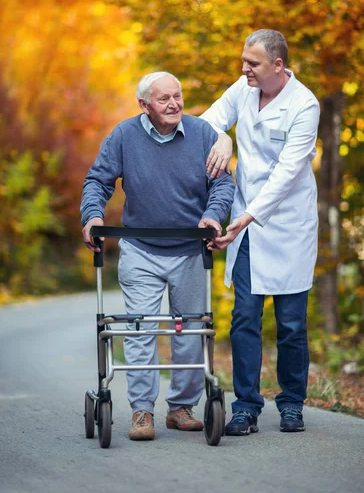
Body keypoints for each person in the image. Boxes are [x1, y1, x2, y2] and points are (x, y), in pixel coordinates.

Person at [81, 72, 234, 441]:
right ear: (144, 105)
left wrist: (213, 216)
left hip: (189, 249)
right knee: (141, 329)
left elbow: (223, 183)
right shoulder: (123, 135)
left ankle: (181, 408)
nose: (174, 104)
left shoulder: (201, 134)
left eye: (177, 96)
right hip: (140, 249)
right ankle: (142, 412)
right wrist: (93, 217)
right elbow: (98, 180)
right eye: (164, 99)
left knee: (189, 330)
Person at [201, 29, 320, 434]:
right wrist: (222, 140)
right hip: (247, 226)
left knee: (290, 325)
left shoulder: (305, 105)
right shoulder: (244, 88)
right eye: (243, 60)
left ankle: (291, 404)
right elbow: (207, 122)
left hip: (286, 224)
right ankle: (246, 406)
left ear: (278, 65)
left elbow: (288, 172)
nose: (243, 68)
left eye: (252, 63)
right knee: (244, 318)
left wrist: (247, 216)